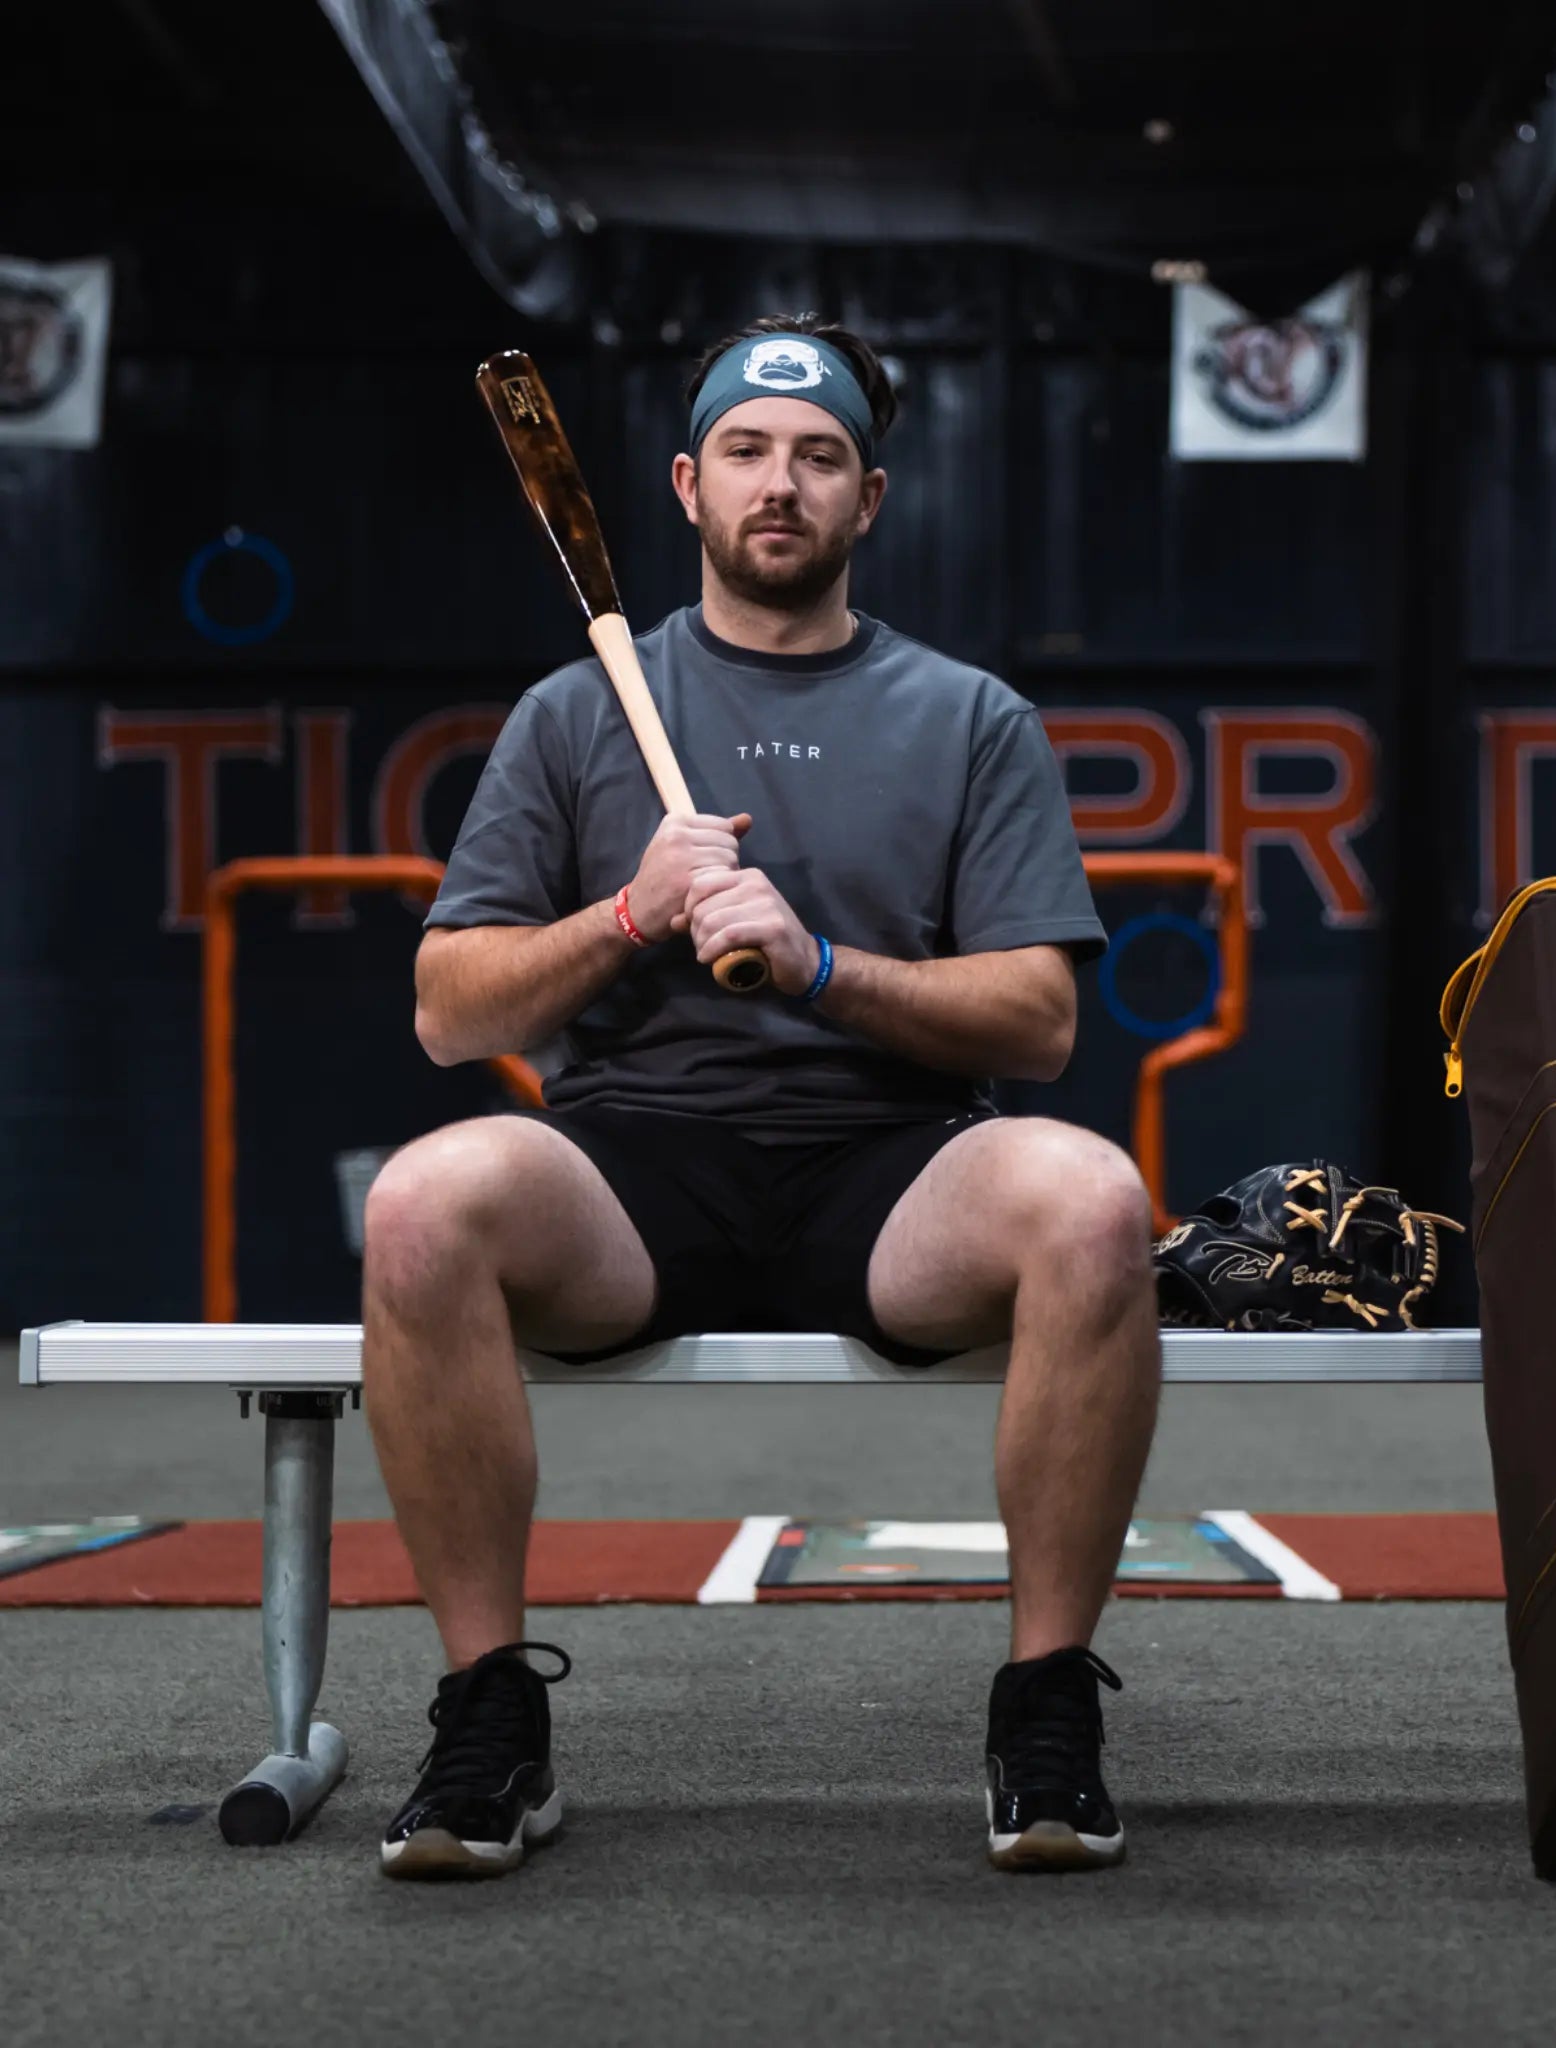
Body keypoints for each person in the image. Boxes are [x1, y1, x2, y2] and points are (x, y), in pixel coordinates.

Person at [361, 314, 1162, 1880]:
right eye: (746, 451)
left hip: (895, 1161)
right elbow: (452, 1013)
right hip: (637, 1166)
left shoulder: (968, 717)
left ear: (870, 497)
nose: (778, 485)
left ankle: (1047, 1709)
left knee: (1093, 1197)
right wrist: (629, 916)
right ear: (685, 484)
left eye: (817, 457)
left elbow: (1043, 1021)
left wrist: (816, 967)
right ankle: (488, 1725)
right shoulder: (579, 710)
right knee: (420, 1201)